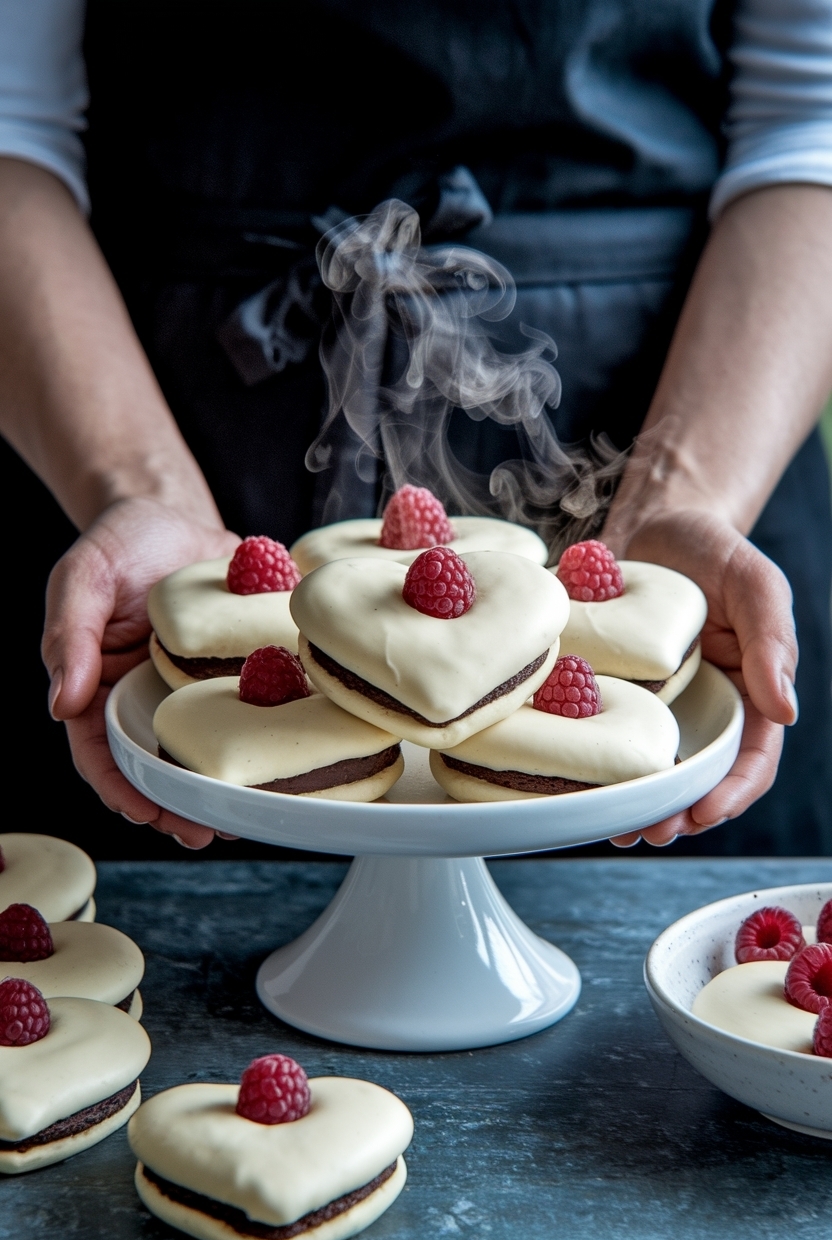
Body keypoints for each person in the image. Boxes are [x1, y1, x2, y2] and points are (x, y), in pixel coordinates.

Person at [0, 0, 831, 852]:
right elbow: (10, 123)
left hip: (702, 387)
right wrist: (134, 484)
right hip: (138, 384)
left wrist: (685, 494)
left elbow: (810, 119)